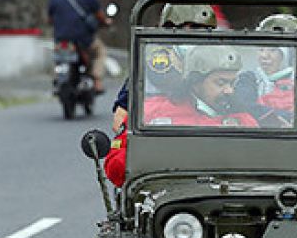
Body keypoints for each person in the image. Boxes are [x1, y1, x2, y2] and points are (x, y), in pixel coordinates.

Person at [104, 45, 255, 186]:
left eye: (232, 84)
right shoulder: (153, 112)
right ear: (196, 82)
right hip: (169, 197)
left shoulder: (243, 120)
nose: (229, 91)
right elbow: (114, 169)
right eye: (221, 83)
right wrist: (156, 152)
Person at [111, 3, 217, 132]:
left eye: (208, 30)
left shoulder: (218, 61)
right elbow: (120, 119)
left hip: (207, 134)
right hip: (162, 136)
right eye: (195, 28)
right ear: (171, 28)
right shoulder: (154, 64)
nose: (202, 36)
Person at [234, 14, 297, 128]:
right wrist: (291, 118)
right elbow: (245, 105)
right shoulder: (249, 79)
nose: (264, 55)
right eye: (261, 49)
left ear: (291, 54)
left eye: (273, 50)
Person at [47, 0, 111, 94]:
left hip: (62, 39)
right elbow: (100, 17)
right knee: (100, 52)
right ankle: (97, 81)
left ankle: (57, 77)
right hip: (84, 40)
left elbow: (50, 19)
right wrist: (106, 22)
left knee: (58, 57)